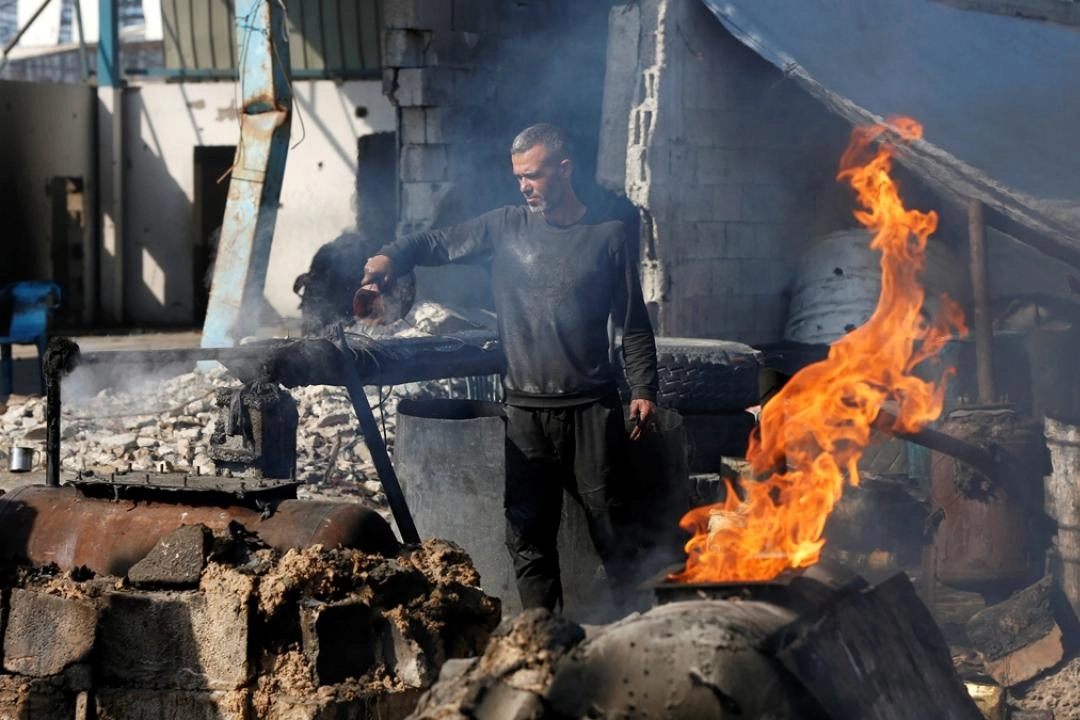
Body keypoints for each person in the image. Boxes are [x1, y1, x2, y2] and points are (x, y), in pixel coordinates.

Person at [360, 123, 659, 611]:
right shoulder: (503, 228)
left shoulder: (608, 236)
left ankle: (628, 636)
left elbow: (634, 324)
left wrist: (645, 388)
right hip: (524, 412)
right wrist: (390, 256)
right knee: (527, 537)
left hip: (592, 410)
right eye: (519, 176)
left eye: (534, 176)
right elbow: (436, 242)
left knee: (615, 528)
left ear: (564, 170)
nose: (524, 185)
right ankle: (542, 638)